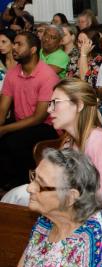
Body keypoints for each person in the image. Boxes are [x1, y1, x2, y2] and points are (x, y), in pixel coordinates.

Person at [2, 78, 102, 220]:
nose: (49, 109)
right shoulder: (69, 141)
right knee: (19, 194)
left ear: (79, 105)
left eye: (55, 103)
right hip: (76, 200)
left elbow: (99, 199)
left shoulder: (97, 140)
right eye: (50, 104)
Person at [4, 148, 102, 267]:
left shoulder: (94, 238)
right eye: (33, 177)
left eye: (40, 184)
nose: (30, 188)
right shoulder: (46, 221)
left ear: (71, 197)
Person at [0, 32, 59, 190]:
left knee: (14, 142)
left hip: (48, 127)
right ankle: (7, 184)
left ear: (33, 50)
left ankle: (24, 185)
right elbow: (3, 108)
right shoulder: (13, 73)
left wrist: (4, 129)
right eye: (14, 43)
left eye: (19, 44)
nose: (14, 47)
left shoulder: (47, 75)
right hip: (22, 122)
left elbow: (39, 118)